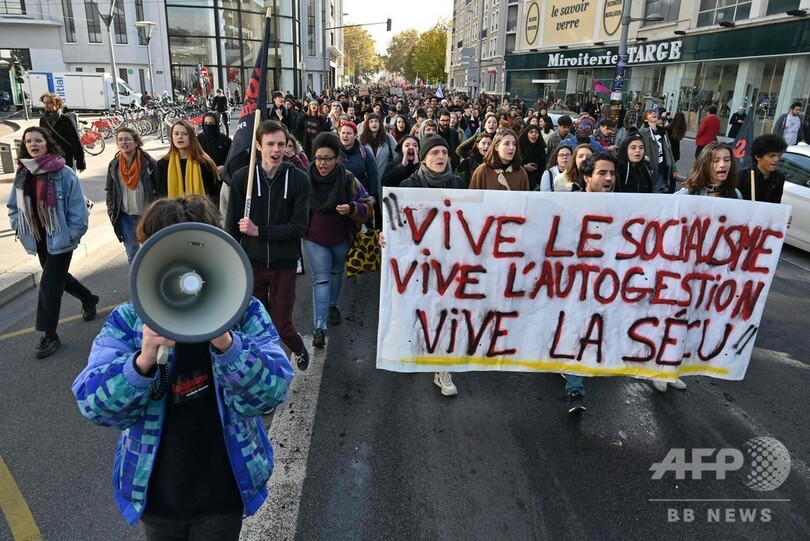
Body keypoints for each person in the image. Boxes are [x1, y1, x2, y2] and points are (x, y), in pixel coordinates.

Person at [72, 195, 294, 538]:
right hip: (160, 498)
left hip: (222, 494)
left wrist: (227, 343)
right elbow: (93, 404)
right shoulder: (129, 321)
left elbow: (272, 392)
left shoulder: (243, 313)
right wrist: (142, 361)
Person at [226, 120, 311, 371]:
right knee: (254, 322)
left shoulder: (298, 179)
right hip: (252, 264)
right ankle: (261, 367)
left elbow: (299, 227)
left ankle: (297, 347)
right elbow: (232, 225)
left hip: (284, 264)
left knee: (281, 323)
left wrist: (259, 231)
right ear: (258, 145)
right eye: (270, 144)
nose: (276, 150)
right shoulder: (243, 179)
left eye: (281, 144)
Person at [7, 127, 98, 359]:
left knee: (49, 285)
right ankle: (88, 298)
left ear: (47, 143)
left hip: (60, 237)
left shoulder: (63, 172)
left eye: (38, 140)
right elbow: (12, 207)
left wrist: (72, 234)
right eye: (28, 141)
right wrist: (19, 225)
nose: (33, 144)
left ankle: (50, 335)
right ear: (24, 146)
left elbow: (78, 208)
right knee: (57, 278)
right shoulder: (23, 173)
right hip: (38, 237)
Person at [397, 135, 466, 397]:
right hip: (418, 261)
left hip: (449, 259)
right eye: (434, 152)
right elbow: (397, 223)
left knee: (446, 313)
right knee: (419, 309)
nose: (440, 157)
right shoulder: (408, 185)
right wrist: (387, 237)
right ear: (423, 157)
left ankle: (442, 369)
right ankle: (415, 347)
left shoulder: (458, 184)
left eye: (444, 152)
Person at [560, 152, 619, 412]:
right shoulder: (569, 205)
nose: (609, 178)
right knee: (576, 331)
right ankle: (575, 390)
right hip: (574, 284)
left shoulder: (625, 206)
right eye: (602, 173)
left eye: (613, 174)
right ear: (587, 176)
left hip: (608, 284)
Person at [304, 133, 373, 348]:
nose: (322, 164)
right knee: (321, 280)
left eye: (327, 159)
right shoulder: (305, 178)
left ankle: (333, 306)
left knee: (336, 274)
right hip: (314, 239)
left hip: (341, 238)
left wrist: (352, 208)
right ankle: (319, 327)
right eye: (318, 158)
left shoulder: (348, 178)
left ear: (337, 159)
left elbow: (368, 203)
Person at [105, 127, 158, 263]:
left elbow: (159, 190)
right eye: (120, 140)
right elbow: (109, 190)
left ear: (136, 142)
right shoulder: (113, 165)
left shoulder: (149, 163)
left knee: (151, 253)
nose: (124, 142)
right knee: (133, 255)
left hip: (146, 217)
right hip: (125, 217)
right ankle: (137, 282)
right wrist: (111, 211)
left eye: (127, 139)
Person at [156, 120, 219, 202]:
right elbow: (160, 193)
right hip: (172, 212)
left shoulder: (204, 162)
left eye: (184, 134)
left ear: (191, 137)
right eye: (176, 134)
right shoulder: (163, 163)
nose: (180, 137)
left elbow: (214, 193)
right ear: (172, 137)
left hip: (199, 211)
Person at [38, 92, 85, 172]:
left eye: (49, 103)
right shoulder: (43, 120)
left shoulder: (66, 120)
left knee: (68, 181)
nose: (46, 105)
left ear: (57, 104)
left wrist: (80, 162)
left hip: (66, 158)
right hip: (50, 158)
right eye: (44, 103)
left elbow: (75, 141)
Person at [738, 134, 788, 203]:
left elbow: (776, 204)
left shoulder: (779, 178)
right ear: (758, 156)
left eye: (779, 155)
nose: (776, 159)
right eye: (772, 156)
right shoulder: (742, 176)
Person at [639, 109, 679, 192]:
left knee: (659, 191)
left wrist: (674, 168)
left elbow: (669, 150)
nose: (654, 113)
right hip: (650, 167)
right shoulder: (642, 132)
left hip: (662, 166)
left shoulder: (663, 132)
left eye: (654, 112)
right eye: (650, 113)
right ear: (646, 119)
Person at [339, 121, 379, 205]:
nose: (345, 136)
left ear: (355, 135)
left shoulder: (364, 151)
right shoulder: (334, 151)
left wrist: (372, 195)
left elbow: (373, 173)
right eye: (343, 133)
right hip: (339, 197)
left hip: (360, 197)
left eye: (349, 133)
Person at [360, 112, 398, 181]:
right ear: (367, 125)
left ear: (380, 124)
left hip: (384, 177)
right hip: (367, 179)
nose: (374, 124)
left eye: (376, 121)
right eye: (371, 122)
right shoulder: (361, 139)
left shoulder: (388, 138)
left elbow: (397, 155)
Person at [197, 112, 232, 179]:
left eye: (211, 123)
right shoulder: (199, 139)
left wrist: (225, 167)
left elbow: (231, 158)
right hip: (203, 176)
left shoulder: (225, 140)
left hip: (220, 176)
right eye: (206, 123)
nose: (208, 126)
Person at [518, 125, 546, 190]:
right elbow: (514, 162)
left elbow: (542, 165)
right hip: (521, 179)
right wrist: (524, 166)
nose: (534, 134)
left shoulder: (541, 149)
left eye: (536, 132)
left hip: (536, 181)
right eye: (531, 132)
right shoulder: (520, 147)